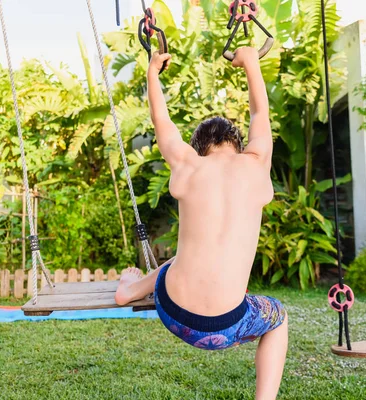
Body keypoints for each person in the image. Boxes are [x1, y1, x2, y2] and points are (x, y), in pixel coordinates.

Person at [114, 47, 288, 400]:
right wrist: (251, 62)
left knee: (177, 262)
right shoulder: (256, 163)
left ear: (197, 148)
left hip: (173, 310)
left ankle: (130, 289)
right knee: (279, 318)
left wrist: (152, 72)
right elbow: (259, 112)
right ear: (237, 146)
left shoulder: (187, 165)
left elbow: (161, 123)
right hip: (228, 325)